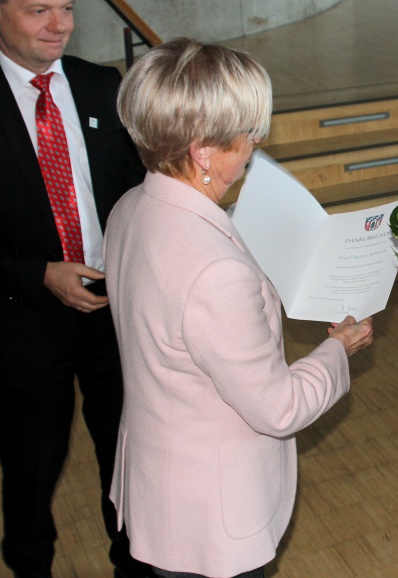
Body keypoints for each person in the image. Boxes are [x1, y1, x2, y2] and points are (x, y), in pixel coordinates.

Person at [104, 38, 374, 578]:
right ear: (203, 149)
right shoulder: (215, 273)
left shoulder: (130, 207)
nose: (255, 146)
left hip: (161, 482)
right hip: (212, 513)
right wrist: (337, 348)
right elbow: (278, 407)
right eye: (249, 133)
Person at [0, 0, 149, 576]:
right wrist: (38, 272)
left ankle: (132, 562)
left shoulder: (100, 84)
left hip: (113, 308)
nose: (59, 24)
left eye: (66, 7)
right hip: (23, 320)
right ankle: (30, 563)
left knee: (126, 449)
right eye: (39, 9)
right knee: (33, 462)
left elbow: (139, 186)